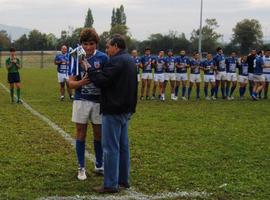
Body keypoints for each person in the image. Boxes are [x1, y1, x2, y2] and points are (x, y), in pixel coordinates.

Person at [88, 34, 137, 193]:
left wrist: (89, 69)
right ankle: (123, 180)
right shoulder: (129, 59)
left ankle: (110, 184)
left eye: (108, 46)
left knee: (110, 148)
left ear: (116, 46)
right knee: (123, 147)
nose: (106, 50)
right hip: (126, 109)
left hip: (114, 109)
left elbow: (102, 80)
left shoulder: (116, 61)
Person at [68, 28, 109, 180]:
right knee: (81, 134)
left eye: (91, 43)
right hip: (81, 101)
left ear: (96, 43)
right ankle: (81, 167)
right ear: (81, 44)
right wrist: (81, 82)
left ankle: (99, 164)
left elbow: (107, 80)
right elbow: (71, 84)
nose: (88, 47)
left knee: (99, 134)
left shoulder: (104, 58)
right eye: (85, 44)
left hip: (99, 102)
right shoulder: (75, 57)